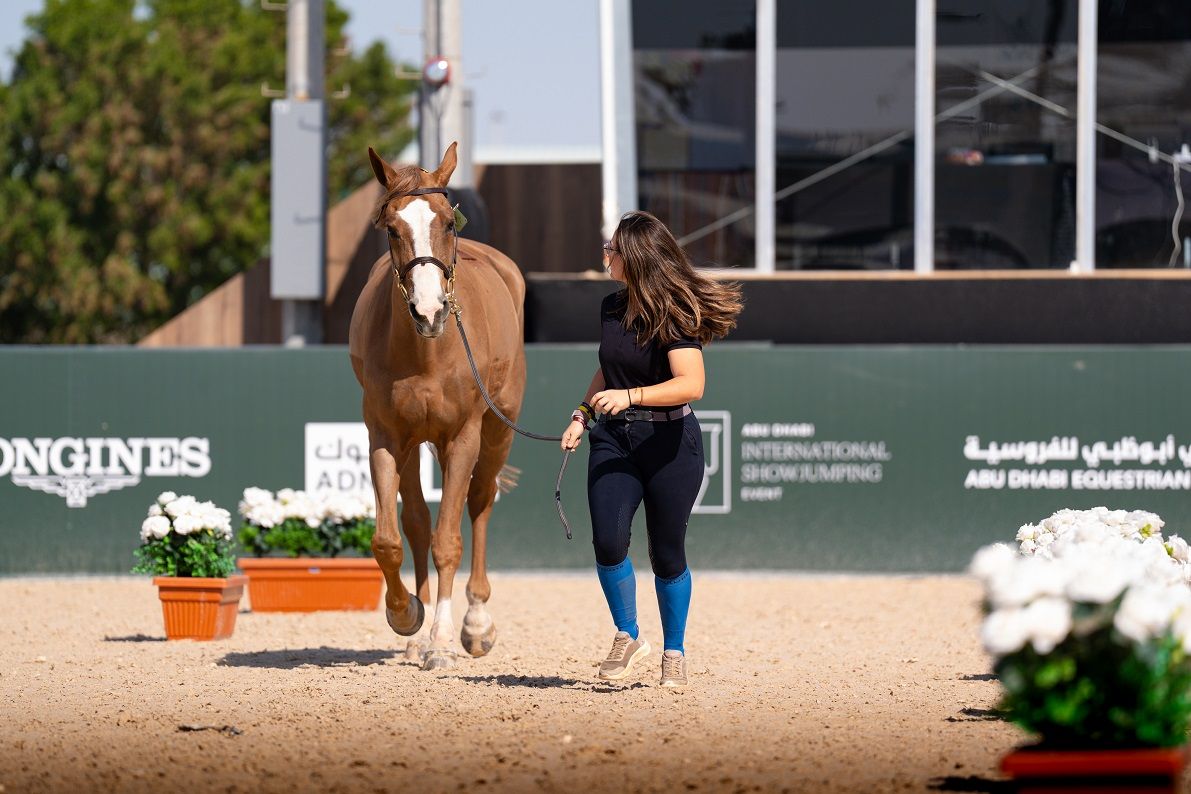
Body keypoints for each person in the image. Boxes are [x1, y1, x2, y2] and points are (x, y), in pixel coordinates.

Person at [560, 210, 743, 687]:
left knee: (667, 553)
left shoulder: (675, 311)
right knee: (608, 541)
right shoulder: (610, 307)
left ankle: (674, 651)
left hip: (670, 444)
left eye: (612, 249)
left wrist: (630, 396)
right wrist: (582, 413)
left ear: (635, 257)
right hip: (614, 439)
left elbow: (691, 384)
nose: (606, 255)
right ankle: (628, 634)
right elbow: (608, 368)